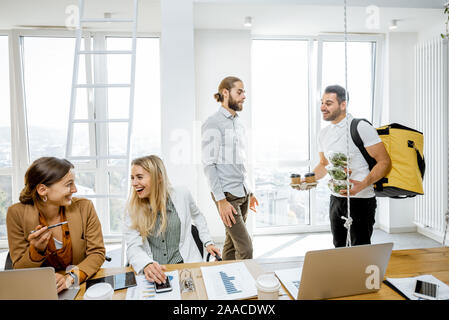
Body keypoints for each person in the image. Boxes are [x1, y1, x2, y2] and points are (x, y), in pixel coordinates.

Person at [6, 157, 105, 293]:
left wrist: (71, 278)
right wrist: (36, 251)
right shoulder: (16, 214)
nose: (75, 189)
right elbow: (19, 270)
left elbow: (97, 253)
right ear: (42, 190)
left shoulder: (84, 207)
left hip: (79, 286)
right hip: (39, 290)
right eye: (69, 184)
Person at [312, 85, 391, 247]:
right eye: (322, 103)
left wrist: (362, 185)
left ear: (343, 104)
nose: (322, 107)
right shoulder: (323, 134)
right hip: (336, 199)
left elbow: (384, 162)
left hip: (361, 200)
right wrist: (308, 180)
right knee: (339, 247)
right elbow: (323, 164)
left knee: (360, 250)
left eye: (328, 103)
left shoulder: (361, 127)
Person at [125, 155, 220, 285]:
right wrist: (146, 264)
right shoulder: (131, 208)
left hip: (185, 265)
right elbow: (132, 245)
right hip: (156, 271)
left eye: (139, 177)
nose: (134, 183)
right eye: (132, 178)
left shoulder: (182, 194)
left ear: (158, 177)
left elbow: (197, 216)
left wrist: (208, 241)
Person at [201, 76, 258, 261]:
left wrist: (249, 191)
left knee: (232, 243)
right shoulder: (213, 123)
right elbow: (209, 164)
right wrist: (221, 201)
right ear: (225, 93)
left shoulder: (238, 122)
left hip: (242, 193)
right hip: (227, 196)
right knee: (246, 248)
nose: (243, 96)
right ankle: (245, 287)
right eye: (239, 92)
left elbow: (240, 160)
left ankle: (225, 280)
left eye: (244, 92)